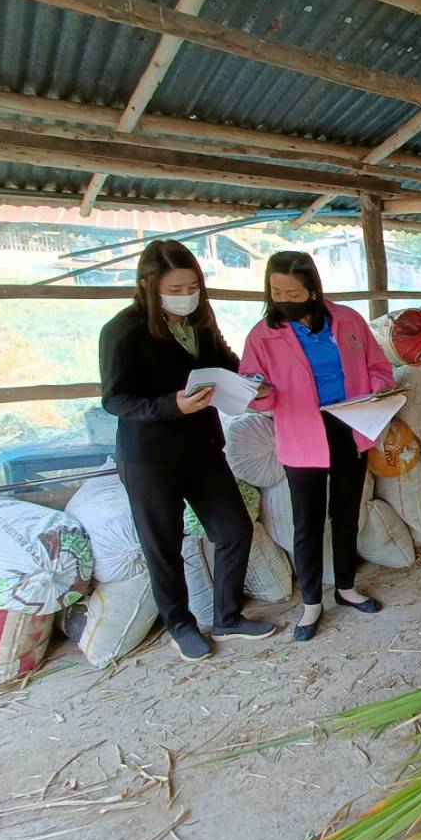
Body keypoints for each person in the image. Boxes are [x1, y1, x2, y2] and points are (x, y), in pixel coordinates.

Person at [99, 239, 272, 662]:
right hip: (150, 458)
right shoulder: (122, 331)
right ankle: (180, 624)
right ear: (148, 284)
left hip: (202, 448)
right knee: (164, 544)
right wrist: (170, 405)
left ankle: (228, 615)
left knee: (234, 529)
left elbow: (225, 361)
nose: (185, 295)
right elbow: (116, 399)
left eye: (191, 286)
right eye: (175, 289)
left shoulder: (200, 322)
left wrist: (250, 382)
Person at [240, 251, 395, 641]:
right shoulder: (262, 335)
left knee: (346, 514)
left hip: (350, 424)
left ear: (312, 290)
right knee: (306, 524)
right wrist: (257, 392)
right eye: (276, 291)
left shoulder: (348, 320)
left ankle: (346, 588)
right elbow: (253, 391)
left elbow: (379, 367)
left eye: (293, 292)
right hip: (301, 433)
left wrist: (379, 391)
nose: (284, 299)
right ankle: (311, 603)